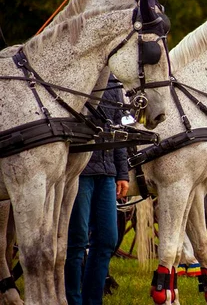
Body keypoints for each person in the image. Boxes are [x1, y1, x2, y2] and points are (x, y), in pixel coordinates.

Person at [65, 76, 129, 304]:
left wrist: (122, 173)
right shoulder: (80, 74)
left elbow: (118, 132)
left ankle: (92, 300)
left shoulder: (114, 84)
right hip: (79, 172)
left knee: (107, 239)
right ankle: (72, 299)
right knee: (77, 238)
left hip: (107, 172)